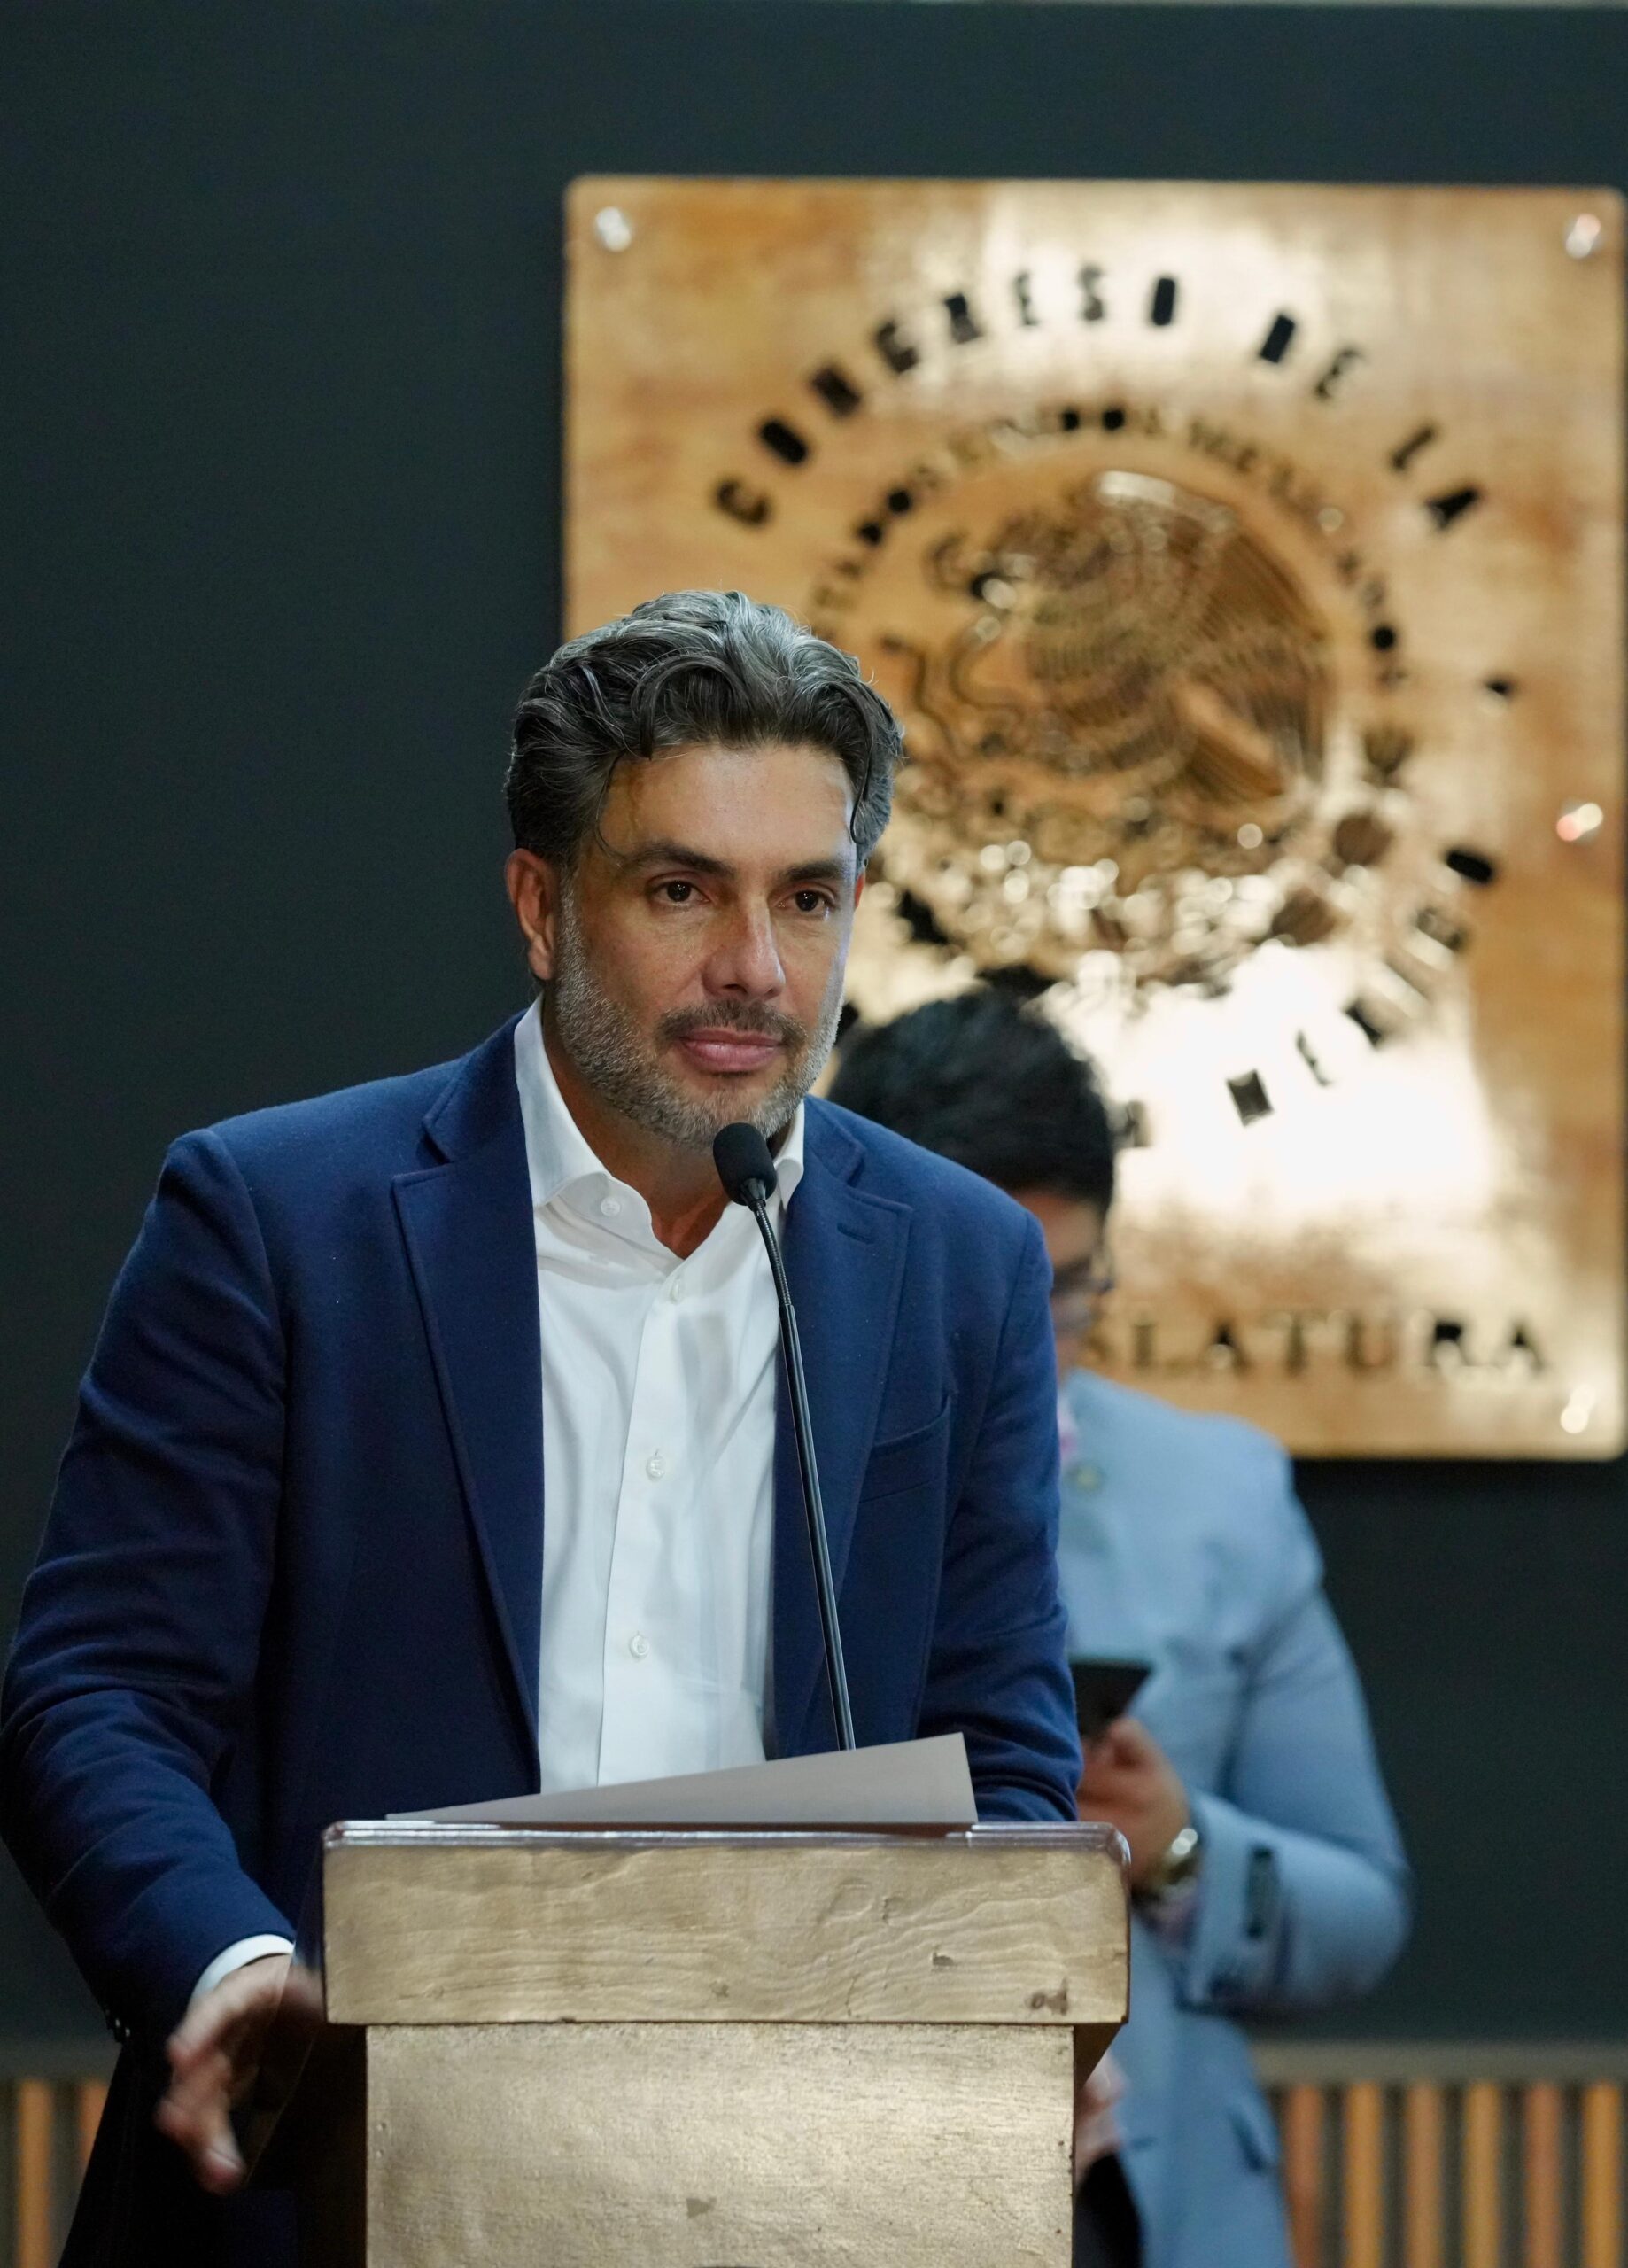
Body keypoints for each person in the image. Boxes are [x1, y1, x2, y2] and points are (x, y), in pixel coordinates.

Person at [0, 594, 1082, 2267]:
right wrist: (240, 1968)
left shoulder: (956, 1261)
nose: (757, 969)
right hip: (331, 2182)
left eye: (807, 898)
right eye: (682, 891)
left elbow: (997, 1750)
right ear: (539, 905)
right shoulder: (278, 1220)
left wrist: (999, 2008)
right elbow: (99, 1693)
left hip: (792, 2197)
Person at [829, 987, 1412, 2268]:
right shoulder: (739, 1471)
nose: (1028, 1353)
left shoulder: (1221, 1496)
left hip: (1150, 2206)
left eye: (1065, 1298)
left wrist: (1179, 1847)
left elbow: (1361, 1905)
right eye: (980, 1295)